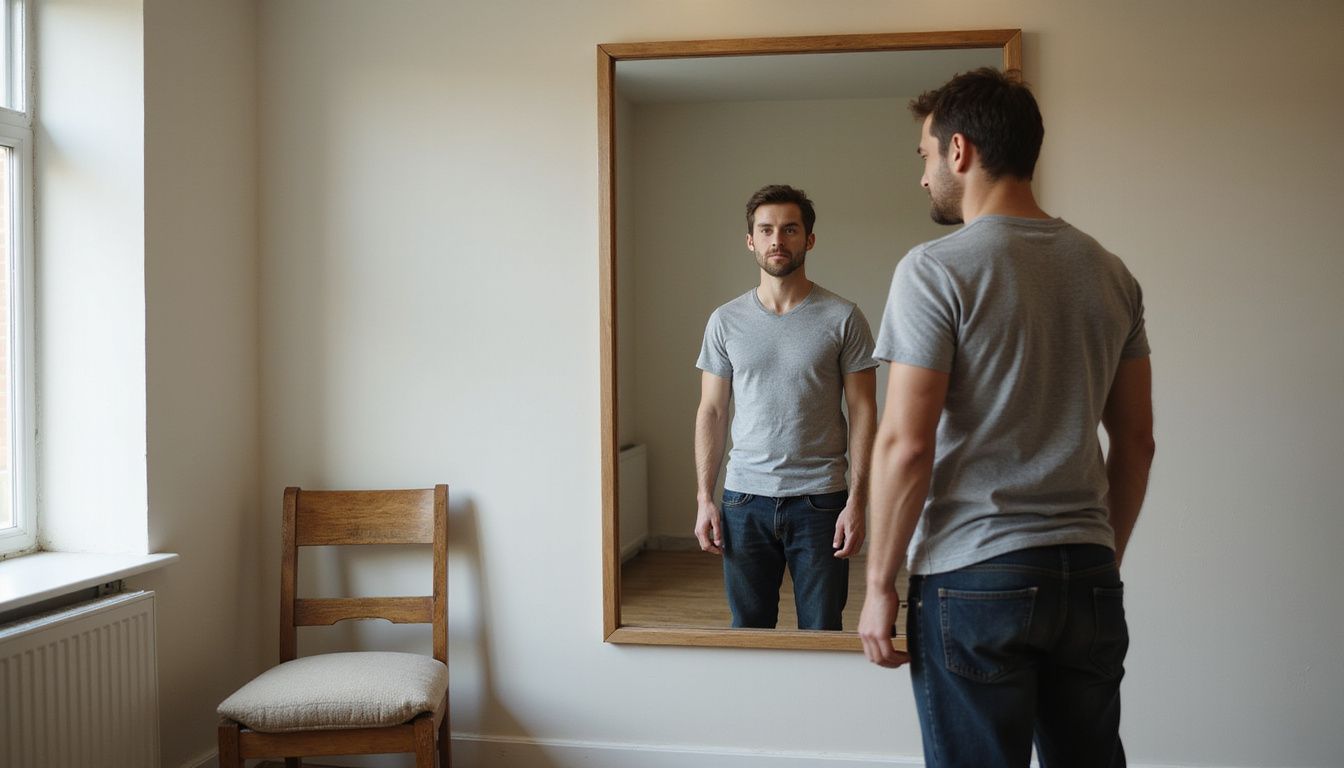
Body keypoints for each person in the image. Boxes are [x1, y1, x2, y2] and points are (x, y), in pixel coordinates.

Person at [857, 68, 1155, 768]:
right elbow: (1137, 443)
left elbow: (905, 445)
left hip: (975, 577)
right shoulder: (1110, 273)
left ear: (959, 151)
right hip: (1086, 573)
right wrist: (1098, 559)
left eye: (926, 156)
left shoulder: (935, 270)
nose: (924, 177)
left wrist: (877, 587)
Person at [693, 184, 879, 631]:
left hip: (820, 503)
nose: (778, 240)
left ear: (809, 239)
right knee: (749, 633)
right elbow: (712, 412)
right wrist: (704, 498)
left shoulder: (843, 317)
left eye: (790, 229)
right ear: (751, 240)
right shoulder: (725, 320)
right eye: (767, 229)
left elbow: (865, 412)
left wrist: (858, 501)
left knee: (822, 634)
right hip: (744, 501)